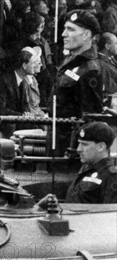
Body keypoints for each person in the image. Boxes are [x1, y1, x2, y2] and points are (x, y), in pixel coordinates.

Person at [49, 9, 104, 156]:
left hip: (71, 150)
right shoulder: (71, 61)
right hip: (57, 142)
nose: (63, 34)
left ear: (87, 35)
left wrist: (77, 151)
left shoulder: (90, 70)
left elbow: (91, 118)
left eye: (70, 29)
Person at [64, 122, 117, 203]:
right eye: (79, 143)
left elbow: (110, 213)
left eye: (84, 144)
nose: (78, 149)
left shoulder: (112, 176)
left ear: (101, 147)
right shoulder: (86, 169)